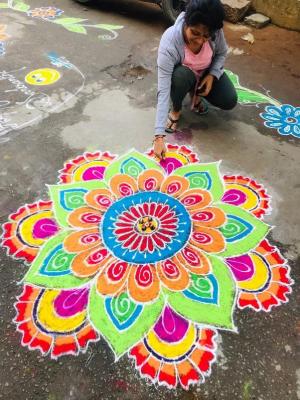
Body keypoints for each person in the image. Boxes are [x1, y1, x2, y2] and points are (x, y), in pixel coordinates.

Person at [153, 0, 238, 159]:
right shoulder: (170, 40)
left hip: (205, 74)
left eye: (206, 36)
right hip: (183, 76)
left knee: (229, 100)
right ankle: (176, 109)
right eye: (195, 33)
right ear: (186, 22)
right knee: (181, 76)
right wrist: (159, 135)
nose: (200, 40)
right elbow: (163, 89)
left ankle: (196, 95)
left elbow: (221, 53)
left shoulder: (215, 31)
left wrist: (212, 75)